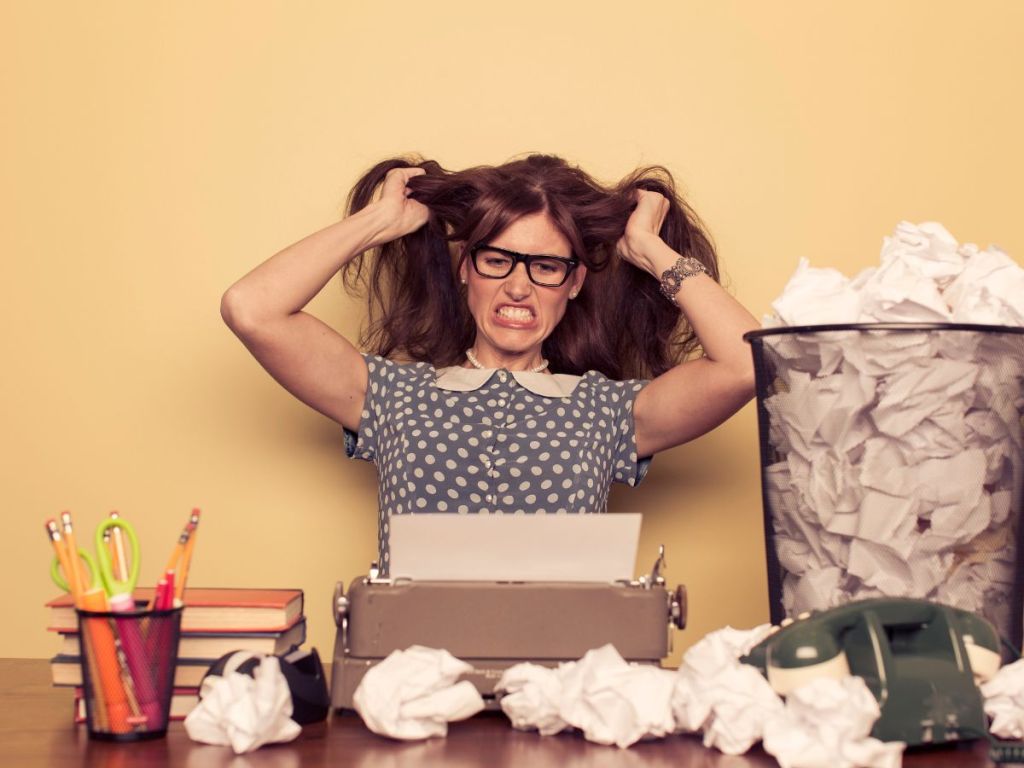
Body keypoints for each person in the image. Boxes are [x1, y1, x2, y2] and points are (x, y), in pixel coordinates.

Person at [221, 154, 760, 571]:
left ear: (573, 283)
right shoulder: (388, 395)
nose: (518, 288)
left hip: (561, 688)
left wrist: (649, 248)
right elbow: (252, 309)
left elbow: (748, 362)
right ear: (466, 270)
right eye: (497, 260)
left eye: (546, 266)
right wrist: (379, 221)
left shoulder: (611, 412)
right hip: (408, 681)